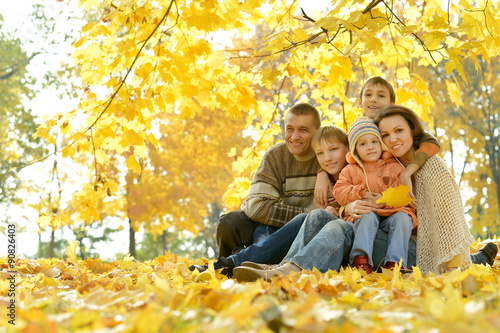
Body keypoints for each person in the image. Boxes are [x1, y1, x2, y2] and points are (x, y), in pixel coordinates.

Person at [233, 105, 497, 281]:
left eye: (399, 132)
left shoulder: (428, 167)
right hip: (380, 232)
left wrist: (456, 269)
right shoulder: (385, 161)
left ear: (412, 132)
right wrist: (338, 193)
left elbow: (450, 229)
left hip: (412, 251)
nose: (392, 139)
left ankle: (292, 272)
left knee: (342, 229)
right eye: (385, 134)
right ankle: (285, 267)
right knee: (316, 217)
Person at [189, 125, 349, 276]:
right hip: (303, 231)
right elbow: (256, 206)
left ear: (348, 149)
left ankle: (230, 264)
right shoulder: (324, 178)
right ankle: (236, 264)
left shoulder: (358, 173)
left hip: (339, 238)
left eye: (333, 150)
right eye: (320, 153)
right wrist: (322, 174)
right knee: (239, 223)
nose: (327, 158)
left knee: (309, 217)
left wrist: (340, 210)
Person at [315, 76, 441, 210]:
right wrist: (322, 173)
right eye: (368, 95)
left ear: (392, 103)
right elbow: (341, 157)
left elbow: (431, 141)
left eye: (381, 95)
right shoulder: (357, 133)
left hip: (394, 196)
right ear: (360, 102)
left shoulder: (394, 125)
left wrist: (407, 172)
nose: (373, 99)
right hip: (365, 199)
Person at [332, 117, 417, 274]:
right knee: (367, 215)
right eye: (362, 144)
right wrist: (361, 193)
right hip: (367, 213)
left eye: (374, 142)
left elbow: (401, 191)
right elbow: (339, 191)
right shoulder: (350, 170)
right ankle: (360, 260)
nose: (369, 147)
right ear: (355, 150)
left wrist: (383, 200)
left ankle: (395, 263)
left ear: (381, 144)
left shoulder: (394, 167)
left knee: (403, 219)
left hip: (390, 212)